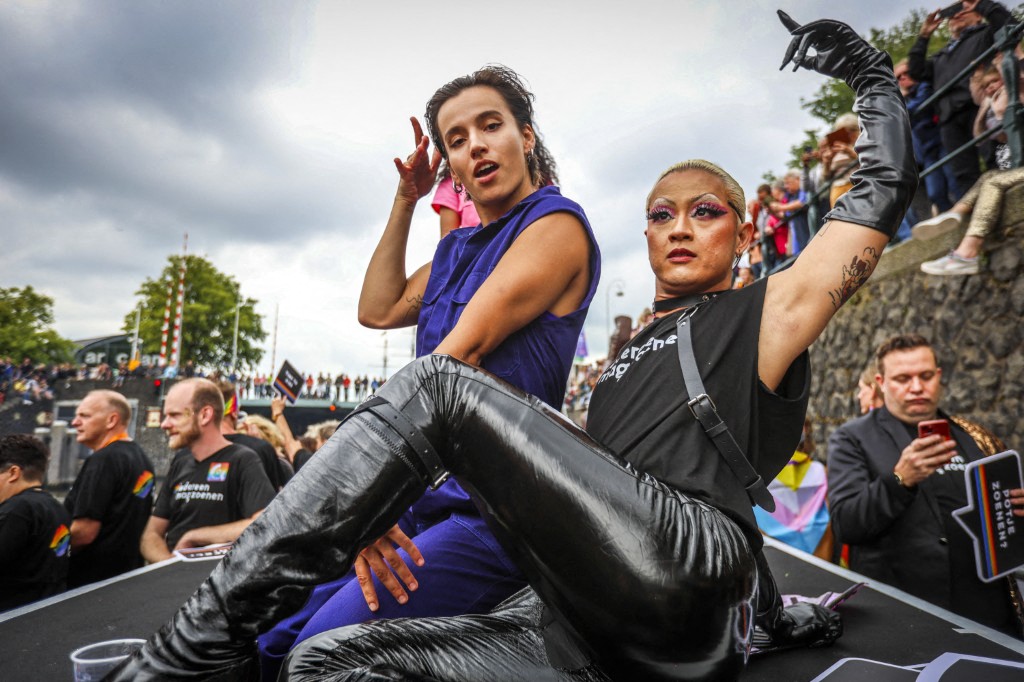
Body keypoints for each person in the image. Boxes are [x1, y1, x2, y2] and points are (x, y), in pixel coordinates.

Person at [109, 13, 915, 680]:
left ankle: (177, 658)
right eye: (661, 214)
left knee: (438, 383)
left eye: (705, 212)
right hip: (594, 610)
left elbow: (877, 199)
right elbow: (380, 311)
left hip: (668, 569)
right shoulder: (617, 373)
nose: (678, 226)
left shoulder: (762, 314)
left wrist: (873, 78)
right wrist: (771, 614)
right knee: (320, 662)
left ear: (744, 237)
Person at [255, 66, 599, 679]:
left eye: (490, 126)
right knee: (267, 633)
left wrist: (369, 499)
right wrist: (407, 198)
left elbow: (450, 364)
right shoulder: (453, 251)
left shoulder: (556, 225)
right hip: (425, 502)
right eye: (457, 140)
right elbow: (376, 308)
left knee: (318, 655)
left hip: (498, 514)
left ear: (526, 136)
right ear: (451, 167)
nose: (476, 146)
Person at [827, 334, 1024, 634]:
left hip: (988, 610)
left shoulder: (972, 436)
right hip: (905, 616)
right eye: (903, 378)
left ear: (939, 376)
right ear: (881, 382)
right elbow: (847, 524)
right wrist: (900, 480)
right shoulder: (852, 438)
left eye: (926, 376)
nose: (917, 387)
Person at [138, 378, 276, 563]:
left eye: (175, 415)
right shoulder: (181, 461)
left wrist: (196, 537)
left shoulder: (243, 460)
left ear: (205, 415)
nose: (164, 424)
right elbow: (151, 534)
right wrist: (171, 568)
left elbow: (266, 524)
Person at [908, 0, 1013, 199]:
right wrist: (924, 36)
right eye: (952, 13)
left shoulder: (985, 34)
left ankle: (1008, 201)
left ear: (977, 15)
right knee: (963, 174)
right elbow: (915, 71)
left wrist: (982, 4)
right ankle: (977, 211)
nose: (955, 15)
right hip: (949, 118)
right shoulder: (941, 56)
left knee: (995, 158)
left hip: (980, 107)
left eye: (962, 11)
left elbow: (1009, 26)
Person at [64, 390, 155, 587]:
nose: (75, 422)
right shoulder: (143, 460)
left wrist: (45, 552)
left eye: (85, 416)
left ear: (111, 420)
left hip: (90, 582)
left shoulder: (103, 460)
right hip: (127, 578)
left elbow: (85, 532)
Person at [0, 434, 70, 611]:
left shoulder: (18, 510)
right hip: (47, 612)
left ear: (13, 473)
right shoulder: (57, 509)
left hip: (13, 615)